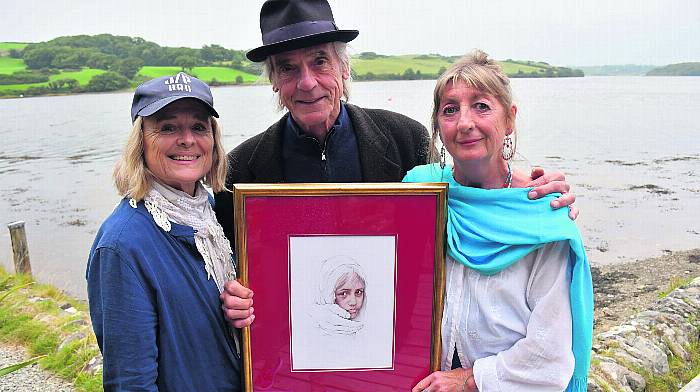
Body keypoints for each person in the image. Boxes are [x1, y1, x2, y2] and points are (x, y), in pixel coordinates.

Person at [218, 0, 578, 331]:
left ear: (344, 69)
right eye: (288, 68)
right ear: (275, 83)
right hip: (293, 353)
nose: (307, 82)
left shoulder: (406, 139)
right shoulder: (240, 171)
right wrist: (230, 297)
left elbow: (464, 193)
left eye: (319, 61)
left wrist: (529, 189)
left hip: (394, 347)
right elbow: (229, 273)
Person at [407, 50, 593, 392]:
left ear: (509, 119)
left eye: (481, 106)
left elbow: (550, 354)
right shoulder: (419, 196)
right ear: (438, 126)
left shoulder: (542, 219)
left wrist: (471, 379)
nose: (465, 123)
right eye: (450, 110)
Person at [86, 73, 241, 391]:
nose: (187, 139)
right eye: (167, 127)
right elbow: (130, 382)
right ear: (140, 142)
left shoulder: (214, 215)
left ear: (213, 140)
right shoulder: (121, 246)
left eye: (199, 126)